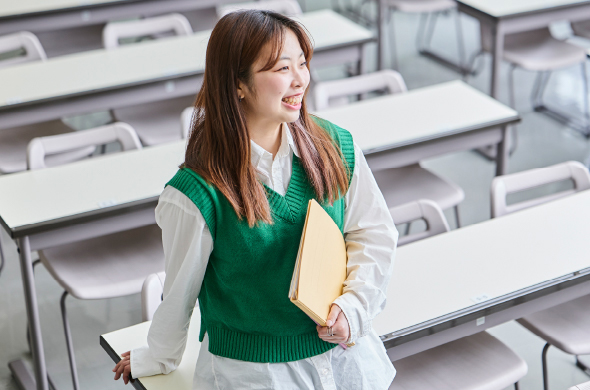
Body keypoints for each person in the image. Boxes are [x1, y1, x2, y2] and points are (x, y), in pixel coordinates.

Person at [112, 10, 398, 390]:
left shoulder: (334, 145)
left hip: (345, 359)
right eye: (282, 68)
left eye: (302, 63)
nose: (301, 80)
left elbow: (374, 232)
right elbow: (179, 294)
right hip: (256, 375)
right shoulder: (197, 193)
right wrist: (158, 356)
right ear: (238, 86)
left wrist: (354, 307)